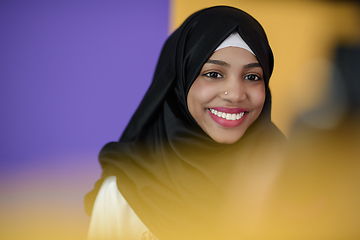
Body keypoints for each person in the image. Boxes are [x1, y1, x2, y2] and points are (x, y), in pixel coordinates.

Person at [85, 6, 285, 240]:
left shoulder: (296, 177)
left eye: (252, 77)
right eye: (213, 74)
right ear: (180, 79)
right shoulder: (124, 193)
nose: (235, 94)